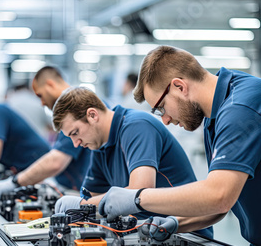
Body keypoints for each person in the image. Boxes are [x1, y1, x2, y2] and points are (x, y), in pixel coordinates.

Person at [99, 45, 261, 246]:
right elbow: (221, 202)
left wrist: (137, 198)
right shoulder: (214, 114)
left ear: (179, 86)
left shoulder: (241, 109)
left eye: (161, 108)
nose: (164, 120)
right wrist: (177, 222)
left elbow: (218, 197)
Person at [52, 87, 213, 238]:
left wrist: (80, 205)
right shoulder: (100, 147)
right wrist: (81, 206)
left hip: (184, 232)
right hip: (146, 233)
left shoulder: (136, 125)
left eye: (75, 133)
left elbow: (137, 192)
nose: (75, 143)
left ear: (92, 115)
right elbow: (92, 202)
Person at [0, 67, 93, 199]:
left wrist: (15, 182)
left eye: (40, 95)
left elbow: (56, 162)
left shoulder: (76, 107)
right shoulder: (73, 108)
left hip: (85, 195)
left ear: (50, 84)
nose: (42, 103)